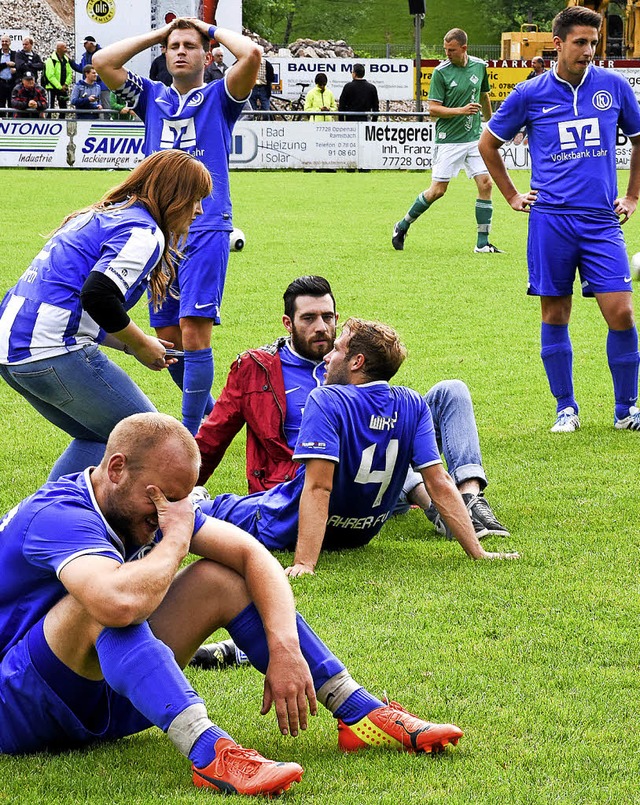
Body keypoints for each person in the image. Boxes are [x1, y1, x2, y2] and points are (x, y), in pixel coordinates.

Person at [0, 411, 464, 796]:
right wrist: (177, 538)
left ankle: (358, 711)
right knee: (106, 603)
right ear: (117, 469)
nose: (171, 511)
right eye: (163, 499)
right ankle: (209, 752)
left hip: (98, 702)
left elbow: (252, 554)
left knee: (221, 579)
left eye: (182, 499)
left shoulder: (152, 499)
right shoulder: (60, 516)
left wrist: (282, 647)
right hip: (15, 710)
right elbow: (119, 604)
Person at [196, 275, 510, 541]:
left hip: (376, 483)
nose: (321, 327)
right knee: (366, 441)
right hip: (308, 483)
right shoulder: (257, 369)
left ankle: (470, 497)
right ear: (287, 323)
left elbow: (387, 414)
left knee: (450, 392)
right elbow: (213, 437)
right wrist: (180, 484)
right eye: (308, 318)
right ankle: (435, 507)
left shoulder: (351, 359)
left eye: (328, 317)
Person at [93, 19, 261, 435]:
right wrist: (157, 35)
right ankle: (211, 419)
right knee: (167, 335)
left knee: (193, 330)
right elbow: (102, 61)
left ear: (207, 55)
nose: (181, 51)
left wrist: (210, 27)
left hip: (206, 226)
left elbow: (252, 55)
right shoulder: (152, 97)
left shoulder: (221, 97)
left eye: (190, 46)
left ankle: (193, 437)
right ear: (164, 56)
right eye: (173, 47)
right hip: (158, 230)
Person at [0, 150, 211, 481]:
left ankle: (42, 522)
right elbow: (98, 295)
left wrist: (130, 345)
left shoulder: (98, 215)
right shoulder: (144, 231)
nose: (199, 210)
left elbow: (76, 304)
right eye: (195, 199)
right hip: (51, 351)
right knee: (154, 441)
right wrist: (140, 344)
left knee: (101, 438)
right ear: (173, 194)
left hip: (11, 352)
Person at [478, 6, 640, 433]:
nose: (588, 51)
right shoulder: (530, 94)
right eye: (580, 42)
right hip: (550, 220)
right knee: (555, 313)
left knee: (621, 312)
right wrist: (511, 195)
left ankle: (626, 410)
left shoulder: (613, 87)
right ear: (558, 43)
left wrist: (632, 195)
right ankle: (565, 408)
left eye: (593, 43)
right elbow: (487, 144)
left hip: (602, 222)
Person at [392, 28, 502, 254]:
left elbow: (484, 96)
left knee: (486, 184)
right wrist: (461, 111)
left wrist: (491, 125)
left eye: (451, 50)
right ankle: (402, 225)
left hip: (474, 139)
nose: (447, 54)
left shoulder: (479, 67)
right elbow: (432, 110)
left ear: (464, 48)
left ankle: (482, 243)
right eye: (445, 50)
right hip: (448, 140)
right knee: (437, 191)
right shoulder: (441, 72)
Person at [72, 35, 111, 110]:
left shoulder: (102, 54)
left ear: (91, 44)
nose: (84, 45)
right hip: (88, 86)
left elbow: (106, 69)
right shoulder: (85, 56)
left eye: (85, 43)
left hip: (102, 86)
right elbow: (82, 69)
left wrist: (94, 77)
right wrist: (72, 63)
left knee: (105, 107)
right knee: (89, 105)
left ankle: (106, 121)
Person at [43, 41, 73, 110]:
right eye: (64, 47)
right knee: (50, 106)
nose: (66, 49)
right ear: (59, 49)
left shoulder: (66, 60)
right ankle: (49, 120)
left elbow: (69, 73)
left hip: (63, 87)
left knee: (63, 107)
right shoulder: (50, 60)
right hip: (52, 87)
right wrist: (59, 87)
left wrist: (65, 84)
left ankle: (62, 120)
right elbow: (50, 76)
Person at [0, 34, 17, 108]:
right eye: (2, 41)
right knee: (1, 105)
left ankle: (11, 119)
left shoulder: (15, 54)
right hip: (1, 83)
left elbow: (19, 66)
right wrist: (6, 64)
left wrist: (16, 70)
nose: (4, 43)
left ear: (10, 43)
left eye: (6, 41)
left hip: (12, 83)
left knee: (12, 104)